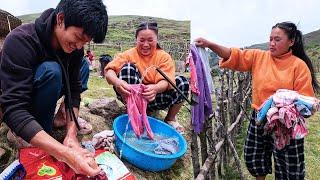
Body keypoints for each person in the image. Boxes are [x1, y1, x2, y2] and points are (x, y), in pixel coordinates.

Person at [195, 22, 319, 179]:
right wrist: (209, 44)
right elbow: (233, 55)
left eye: (277, 39)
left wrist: (282, 106)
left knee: (288, 166)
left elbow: (306, 103)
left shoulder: (299, 66)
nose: (272, 43)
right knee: (254, 157)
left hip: (286, 124)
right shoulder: (259, 57)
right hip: (259, 117)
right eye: (270, 39)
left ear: (291, 41)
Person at [0, 0, 108, 176]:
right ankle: (23, 133)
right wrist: (66, 155)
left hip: (44, 89)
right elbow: (14, 108)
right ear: (60, 19)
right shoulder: (20, 41)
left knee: (81, 67)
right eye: (79, 37)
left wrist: (71, 136)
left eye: (85, 42)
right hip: (19, 104)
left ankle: (60, 119)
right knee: (52, 71)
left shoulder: (75, 50)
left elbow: (74, 91)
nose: (80, 46)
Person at [105, 22, 189, 134]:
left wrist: (155, 88)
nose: (145, 44)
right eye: (141, 40)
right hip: (131, 97)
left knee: (182, 82)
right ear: (136, 40)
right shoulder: (129, 54)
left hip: (153, 98)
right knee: (128, 68)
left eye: (150, 40)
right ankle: (133, 112)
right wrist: (117, 82)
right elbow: (109, 71)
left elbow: (166, 81)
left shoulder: (163, 57)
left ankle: (170, 118)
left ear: (157, 39)